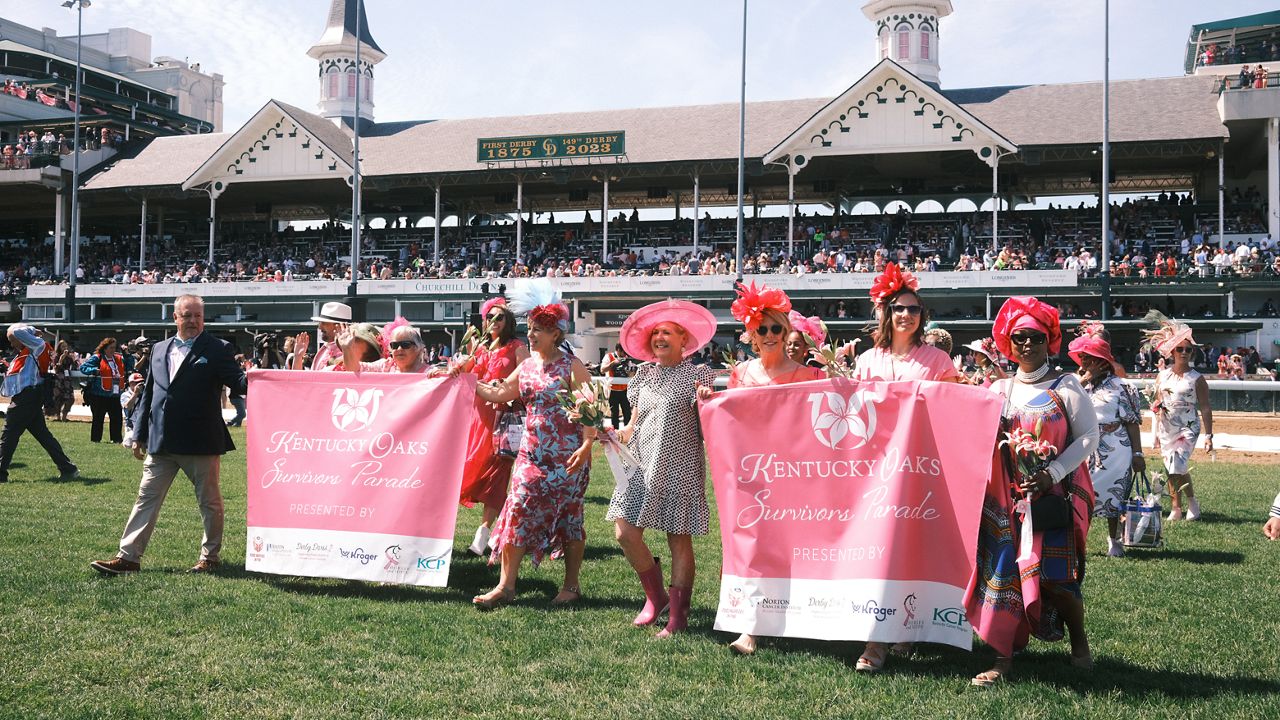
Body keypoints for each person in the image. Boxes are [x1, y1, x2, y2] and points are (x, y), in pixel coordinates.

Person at [967, 296, 1099, 687]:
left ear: (1049, 341)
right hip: (1005, 500)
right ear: (1009, 341)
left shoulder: (1067, 386)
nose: (1027, 344)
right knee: (1004, 575)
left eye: (1036, 338)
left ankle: (1078, 638)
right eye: (1019, 337)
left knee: (1057, 580)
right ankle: (1002, 656)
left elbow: (1089, 437)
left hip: (1052, 498)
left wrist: (1052, 472)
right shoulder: (999, 387)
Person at [699, 281, 824, 655]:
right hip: (754, 478)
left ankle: (797, 618)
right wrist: (709, 399)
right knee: (753, 549)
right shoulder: (742, 375)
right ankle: (750, 629)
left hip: (798, 478)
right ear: (751, 335)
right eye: (761, 329)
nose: (769, 336)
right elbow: (730, 422)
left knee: (795, 549)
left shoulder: (810, 376)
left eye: (776, 328)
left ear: (786, 332)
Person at [90, 294, 247, 575]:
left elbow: (239, 382)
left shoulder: (218, 348)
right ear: (175, 317)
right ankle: (128, 558)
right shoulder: (159, 349)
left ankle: (209, 557)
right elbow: (150, 393)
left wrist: (264, 374)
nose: (193, 321)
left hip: (200, 441)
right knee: (146, 498)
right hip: (161, 441)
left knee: (209, 502)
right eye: (187, 316)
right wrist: (138, 433)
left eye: (198, 316)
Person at [852, 263, 960, 673]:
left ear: (922, 316)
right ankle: (876, 640)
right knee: (879, 552)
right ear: (887, 313)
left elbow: (951, 411)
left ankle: (906, 627)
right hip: (875, 473)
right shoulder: (866, 360)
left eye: (913, 310)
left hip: (920, 471)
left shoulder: (936, 359)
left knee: (912, 549)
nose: (906, 315)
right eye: (899, 309)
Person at [470, 280, 594, 609]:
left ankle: (571, 585)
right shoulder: (526, 367)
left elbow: (593, 409)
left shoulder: (572, 366)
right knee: (516, 511)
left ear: (556, 333)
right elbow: (499, 393)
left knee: (570, 518)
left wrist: (587, 446)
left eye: (539, 329)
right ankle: (505, 586)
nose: (532, 334)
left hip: (568, 458)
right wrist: (467, 380)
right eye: (530, 328)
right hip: (530, 456)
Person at [609, 299, 718, 638]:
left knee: (678, 541)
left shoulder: (698, 374)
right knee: (625, 533)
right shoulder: (642, 375)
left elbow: (707, 427)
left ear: (684, 339)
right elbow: (634, 423)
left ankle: (679, 616)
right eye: (655, 332)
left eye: (667, 332)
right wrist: (616, 434)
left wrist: (705, 400)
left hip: (679, 466)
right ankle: (656, 597)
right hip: (640, 464)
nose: (659, 337)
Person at [453, 297, 529, 555]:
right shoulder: (479, 347)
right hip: (478, 418)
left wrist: (506, 388)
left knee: (497, 475)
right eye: (490, 317)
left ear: (508, 322)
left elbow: (528, 379)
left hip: (504, 417)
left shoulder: (518, 347)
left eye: (500, 318)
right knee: (471, 468)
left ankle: (483, 533)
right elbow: (465, 373)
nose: (493, 322)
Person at [1069, 322, 1144, 557]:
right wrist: (1084, 379)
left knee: (1114, 496)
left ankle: (1114, 540)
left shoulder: (1123, 387)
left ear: (1103, 361)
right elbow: (1061, 404)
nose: (1085, 363)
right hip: (1083, 449)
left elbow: (1132, 423)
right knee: (1081, 496)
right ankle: (1079, 539)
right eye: (1083, 358)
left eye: (1090, 358)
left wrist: (1138, 454)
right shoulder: (1075, 384)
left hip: (1115, 450)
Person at [1144, 314, 1213, 522]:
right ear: (1172, 351)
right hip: (1167, 427)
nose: (1184, 352)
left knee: (1177, 465)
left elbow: (1206, 407)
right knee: (1173, 468)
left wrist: (1209, 435)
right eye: (1180, 349)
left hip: (1188, 426)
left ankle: (1179, 507)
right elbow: (1156, 405)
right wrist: (1154, 433)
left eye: (1188, 349)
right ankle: (1186, 504)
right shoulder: (1162, 376)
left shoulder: (1197, 379)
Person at [0, 324, 78, 484]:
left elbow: (17, 330)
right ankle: (68, 468)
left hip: (27, 397)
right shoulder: (24, 352)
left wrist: (30, 329)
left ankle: (0, 473)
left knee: (9, 435)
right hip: (28, 397)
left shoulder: (37, 345)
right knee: (43, 436)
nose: (11, 344)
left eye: (12, 340)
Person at [80, 337, 127, 443]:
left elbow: (129, 365)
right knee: (98, 418)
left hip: (114, 394)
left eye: (114, 348)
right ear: (104, 348)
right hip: (99, 394)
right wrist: (94, 370)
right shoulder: (97, 357)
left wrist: (127, 354)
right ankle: (96, 439)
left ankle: (116, 439)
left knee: (117, 418)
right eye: (110, 348)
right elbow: (83, 367)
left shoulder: (118, 358)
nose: (113, 350)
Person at [342, 319, 428, 374]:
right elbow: (355, 369)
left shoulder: (430, 373)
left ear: (418, 348)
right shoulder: (385, 366)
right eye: (394, 345)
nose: (399, 349)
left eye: (406, 345)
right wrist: (347, 349)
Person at [291, 301, 352, 370]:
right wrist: (298, 357)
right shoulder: (325, 347)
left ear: (339, 325)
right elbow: (303, 379)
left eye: (324, 323)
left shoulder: (350, 351)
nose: (319, 327)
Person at [600, 343, 633, 429]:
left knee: (627, 413)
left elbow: (630, 374)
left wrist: (629, 371)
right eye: (624, 352)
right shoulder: (609, 356)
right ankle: (615, 433)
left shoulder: (626, 359)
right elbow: (602, 370)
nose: (625, 355)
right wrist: (613, 364)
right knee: (614, 413)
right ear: (618, 350)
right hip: (612, 389)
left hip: (624, 389)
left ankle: (627, 432)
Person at [49, 340, 77, 422]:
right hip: (59, 380)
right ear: (59, 348)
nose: (65, 348)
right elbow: (56, 368)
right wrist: (61, 358)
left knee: (70, 398)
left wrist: (74, 359)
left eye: (66, 346)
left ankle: (64, 415)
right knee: (58, 399)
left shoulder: (69, 357)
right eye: (63, 346)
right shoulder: (57, 356)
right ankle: (58, 417)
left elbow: (75, 366)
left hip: (67, 380)